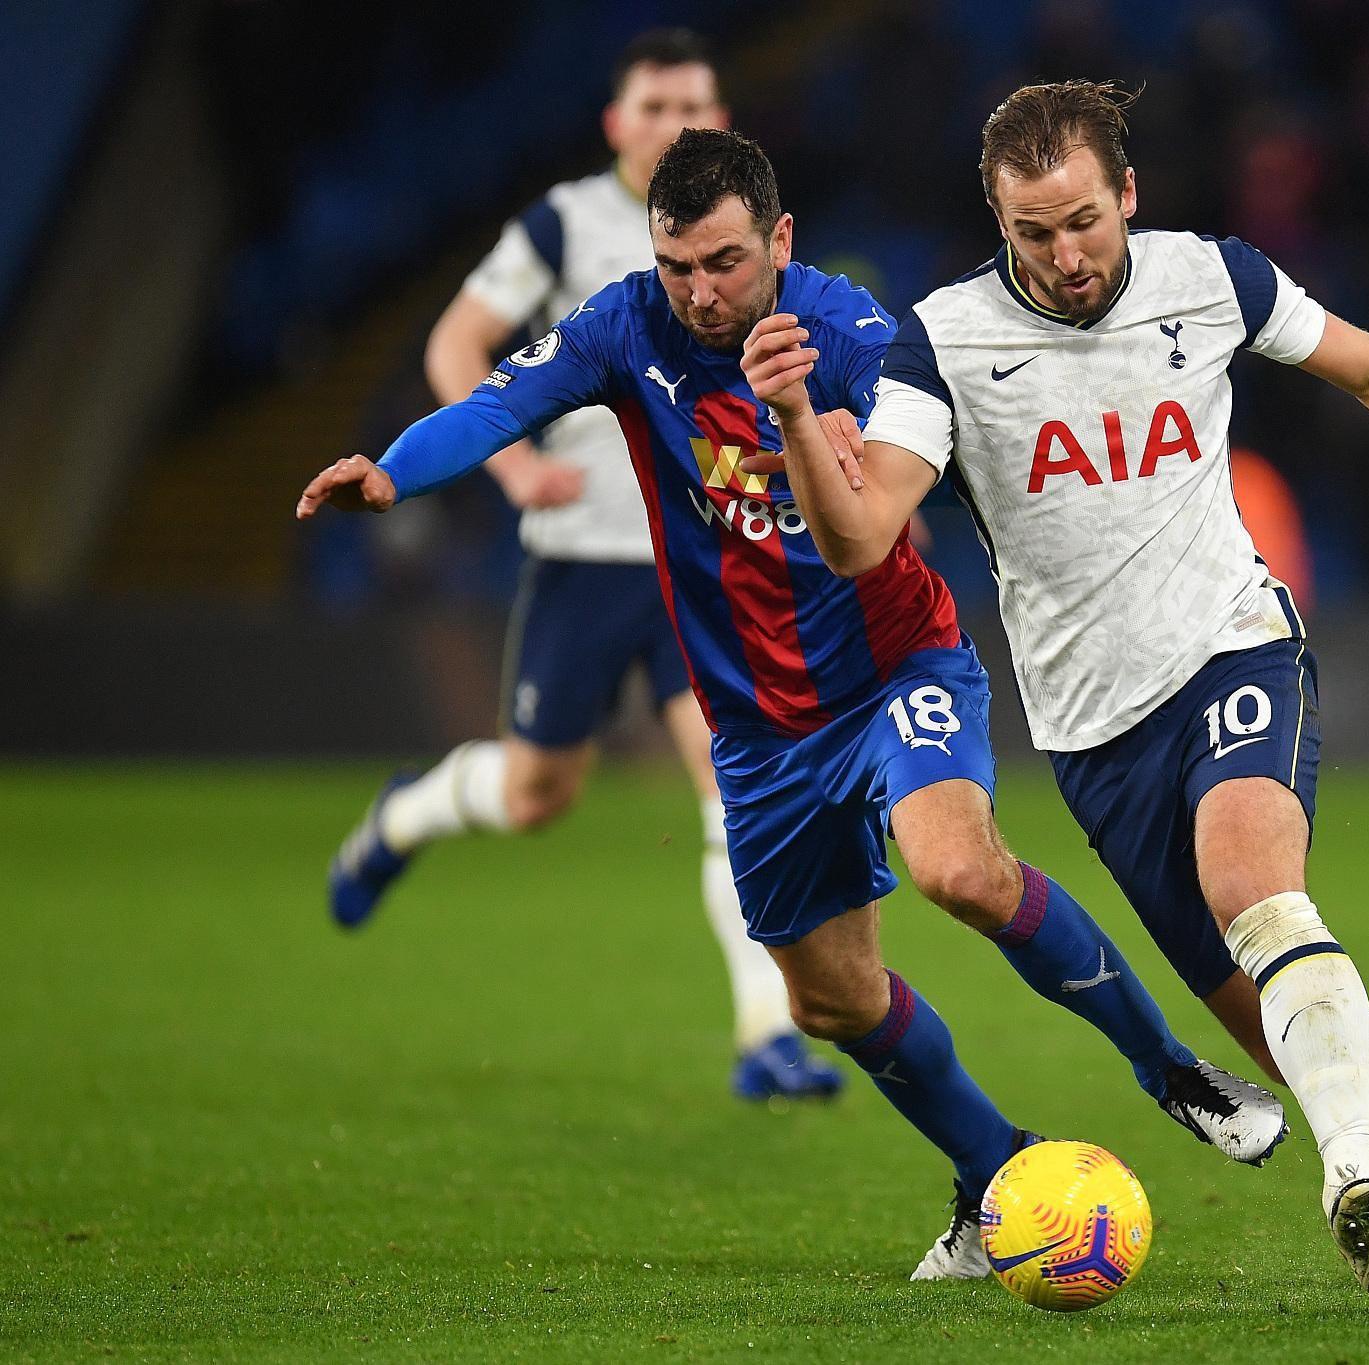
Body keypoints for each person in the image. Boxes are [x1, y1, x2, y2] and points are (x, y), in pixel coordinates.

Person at [297, 127, 1287, 1280]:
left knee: (958, 870)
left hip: (894, 672)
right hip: (758, 729)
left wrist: (815, 429)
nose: (700, 293)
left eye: (722, 263)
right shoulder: (627, 325)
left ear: (777, 240)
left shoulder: (854, 328)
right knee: (830, 1000)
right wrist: (391, 469)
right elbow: (496, 407)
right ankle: (988, 1173)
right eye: (678, 267)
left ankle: (1168, 1067)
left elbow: (898, 476)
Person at [743, 82, 1369, 1298]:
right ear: (995, 219)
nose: (1062, 256)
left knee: (1254, 890)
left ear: (1128, 196)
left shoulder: (1210, 279)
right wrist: (791, 413)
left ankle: (1353, 1180)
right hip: (1093, 736)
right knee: (1284, 1023)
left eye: (1083, 222)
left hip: (1231, 645)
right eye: (1031, 232)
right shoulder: (938, 341)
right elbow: (856, 536)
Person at [320, 31, 841, 1102]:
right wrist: (510, 474)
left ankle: (764, 1033)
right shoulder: (563, 225)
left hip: (705, 562)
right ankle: (404, 815)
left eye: (693, 103)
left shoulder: (740, 235)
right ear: (615, 122)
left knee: (728, 785)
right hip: (584, 556)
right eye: (652, 105)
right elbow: (458, 347)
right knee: (537, 791)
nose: (672, 121)